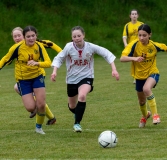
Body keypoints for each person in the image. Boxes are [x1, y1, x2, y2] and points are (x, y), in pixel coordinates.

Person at [51, 26, 120, 132]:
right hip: (72, 79)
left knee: (82, 96)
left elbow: (106, 53)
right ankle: (78, 114)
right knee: (72, 106)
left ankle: (77, 124)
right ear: (72, 37)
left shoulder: (90, 47)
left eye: (79, 35)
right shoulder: (68, 47)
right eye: (74, 36)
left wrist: (114, 69)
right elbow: (59, 58)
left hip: (87, 77)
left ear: (83, 35)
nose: (77, 38)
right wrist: (54, 71)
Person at [0, 25, 53, 134]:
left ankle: (39, 127)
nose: (31, 38)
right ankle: (49, 116)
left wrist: (37, 63)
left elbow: (48, 63)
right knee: (30, 107)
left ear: (36, 35)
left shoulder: (39, 46)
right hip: (23, 79)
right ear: (25, 37)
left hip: (37, 76)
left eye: (33, 36)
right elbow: (5, 59)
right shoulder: (17, 48)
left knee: (41, 104)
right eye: (28, 36)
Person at [11, 27, 62, 125]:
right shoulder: (16, 48)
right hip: (25, 77)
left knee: (38, 100)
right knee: (18, 88)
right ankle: (48, 116)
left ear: (24, 35)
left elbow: (49, 43)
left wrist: (63, 52)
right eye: (15, 36)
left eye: (19, 36)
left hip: (38, 74)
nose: (17, 38)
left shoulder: (34, 43)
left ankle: (42, 117)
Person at [120, 24, 167, 128]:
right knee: (141, 101)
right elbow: (122, 58)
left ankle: (155, 115)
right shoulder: (134, 45)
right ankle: (145, 115)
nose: (141, 38)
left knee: (146, 89)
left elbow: (165, 47)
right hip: (139, 76)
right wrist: (134, 58)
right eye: (139, 35)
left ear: (150, 35)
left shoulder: (154, 46)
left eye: (144, 35)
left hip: (152, 73)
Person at [122, 9, 143, 84]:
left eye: (135, 14)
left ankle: (142, 76)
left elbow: (145, 34)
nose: (134, 15)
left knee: (141, 60)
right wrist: (126, 45)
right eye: (132, 14)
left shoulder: (141, 24)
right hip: (132, 46)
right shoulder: (127, 25)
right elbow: (124, 36)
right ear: (130, 16)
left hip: (140, 45)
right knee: (134, 61)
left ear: (138, 15)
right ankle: (135, 77)